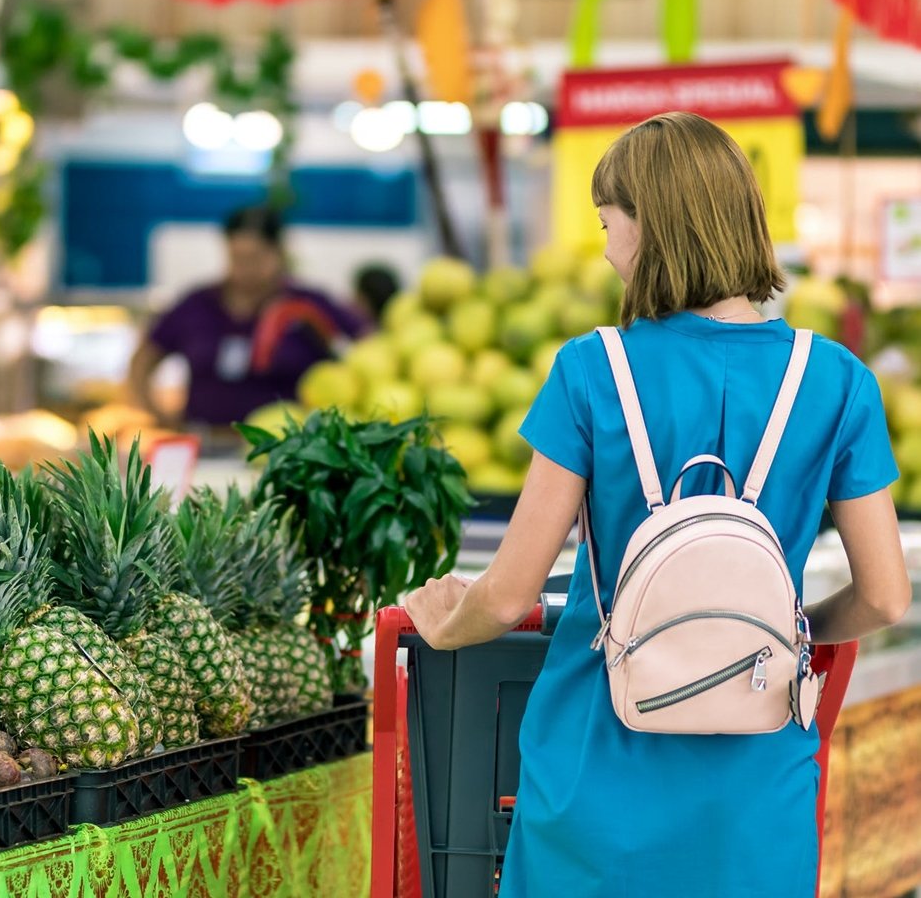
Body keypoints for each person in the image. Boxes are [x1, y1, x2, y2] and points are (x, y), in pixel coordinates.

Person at [403, 112, 911, 897]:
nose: (607, 249)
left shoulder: (591, 370)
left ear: (654, 229)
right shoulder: (838, 379)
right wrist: (783, 636)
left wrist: (444, 624)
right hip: (758, 780)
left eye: (610, 223)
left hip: (595, 775)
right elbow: (883, 597)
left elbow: (505, 594)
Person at [128, 205, 366, 428]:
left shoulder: (308, 306)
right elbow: (143, 360)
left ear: (279, 253)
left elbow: (366, 348)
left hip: (288, 452)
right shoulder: (197, 305)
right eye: (237, 258)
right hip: (205, 446)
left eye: (255, 258)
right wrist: (159, 417)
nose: (245, 269)